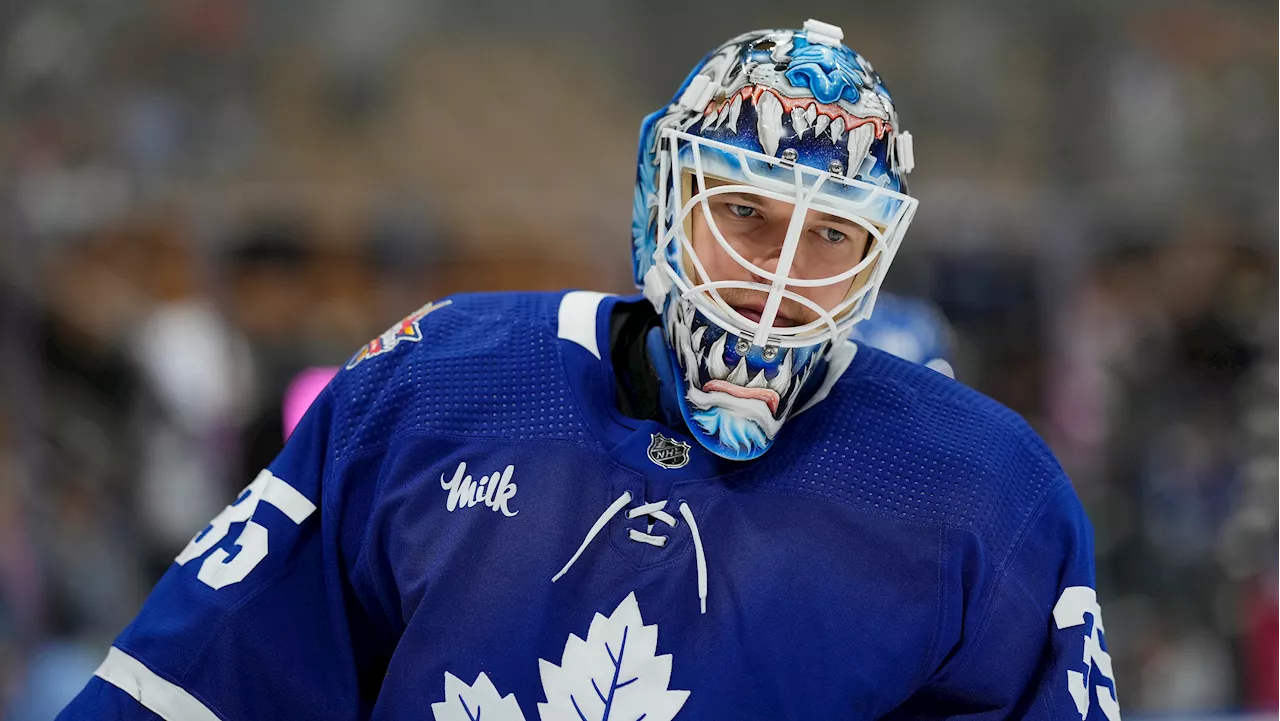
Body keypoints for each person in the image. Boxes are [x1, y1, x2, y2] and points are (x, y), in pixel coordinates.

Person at [60, 20, 1120, 719]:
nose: (777, 277)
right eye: (743, 213)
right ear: (665, 200)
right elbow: (184, 689)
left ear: (877, 254)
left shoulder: (988, 494)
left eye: (829, 237)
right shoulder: (432, 386)